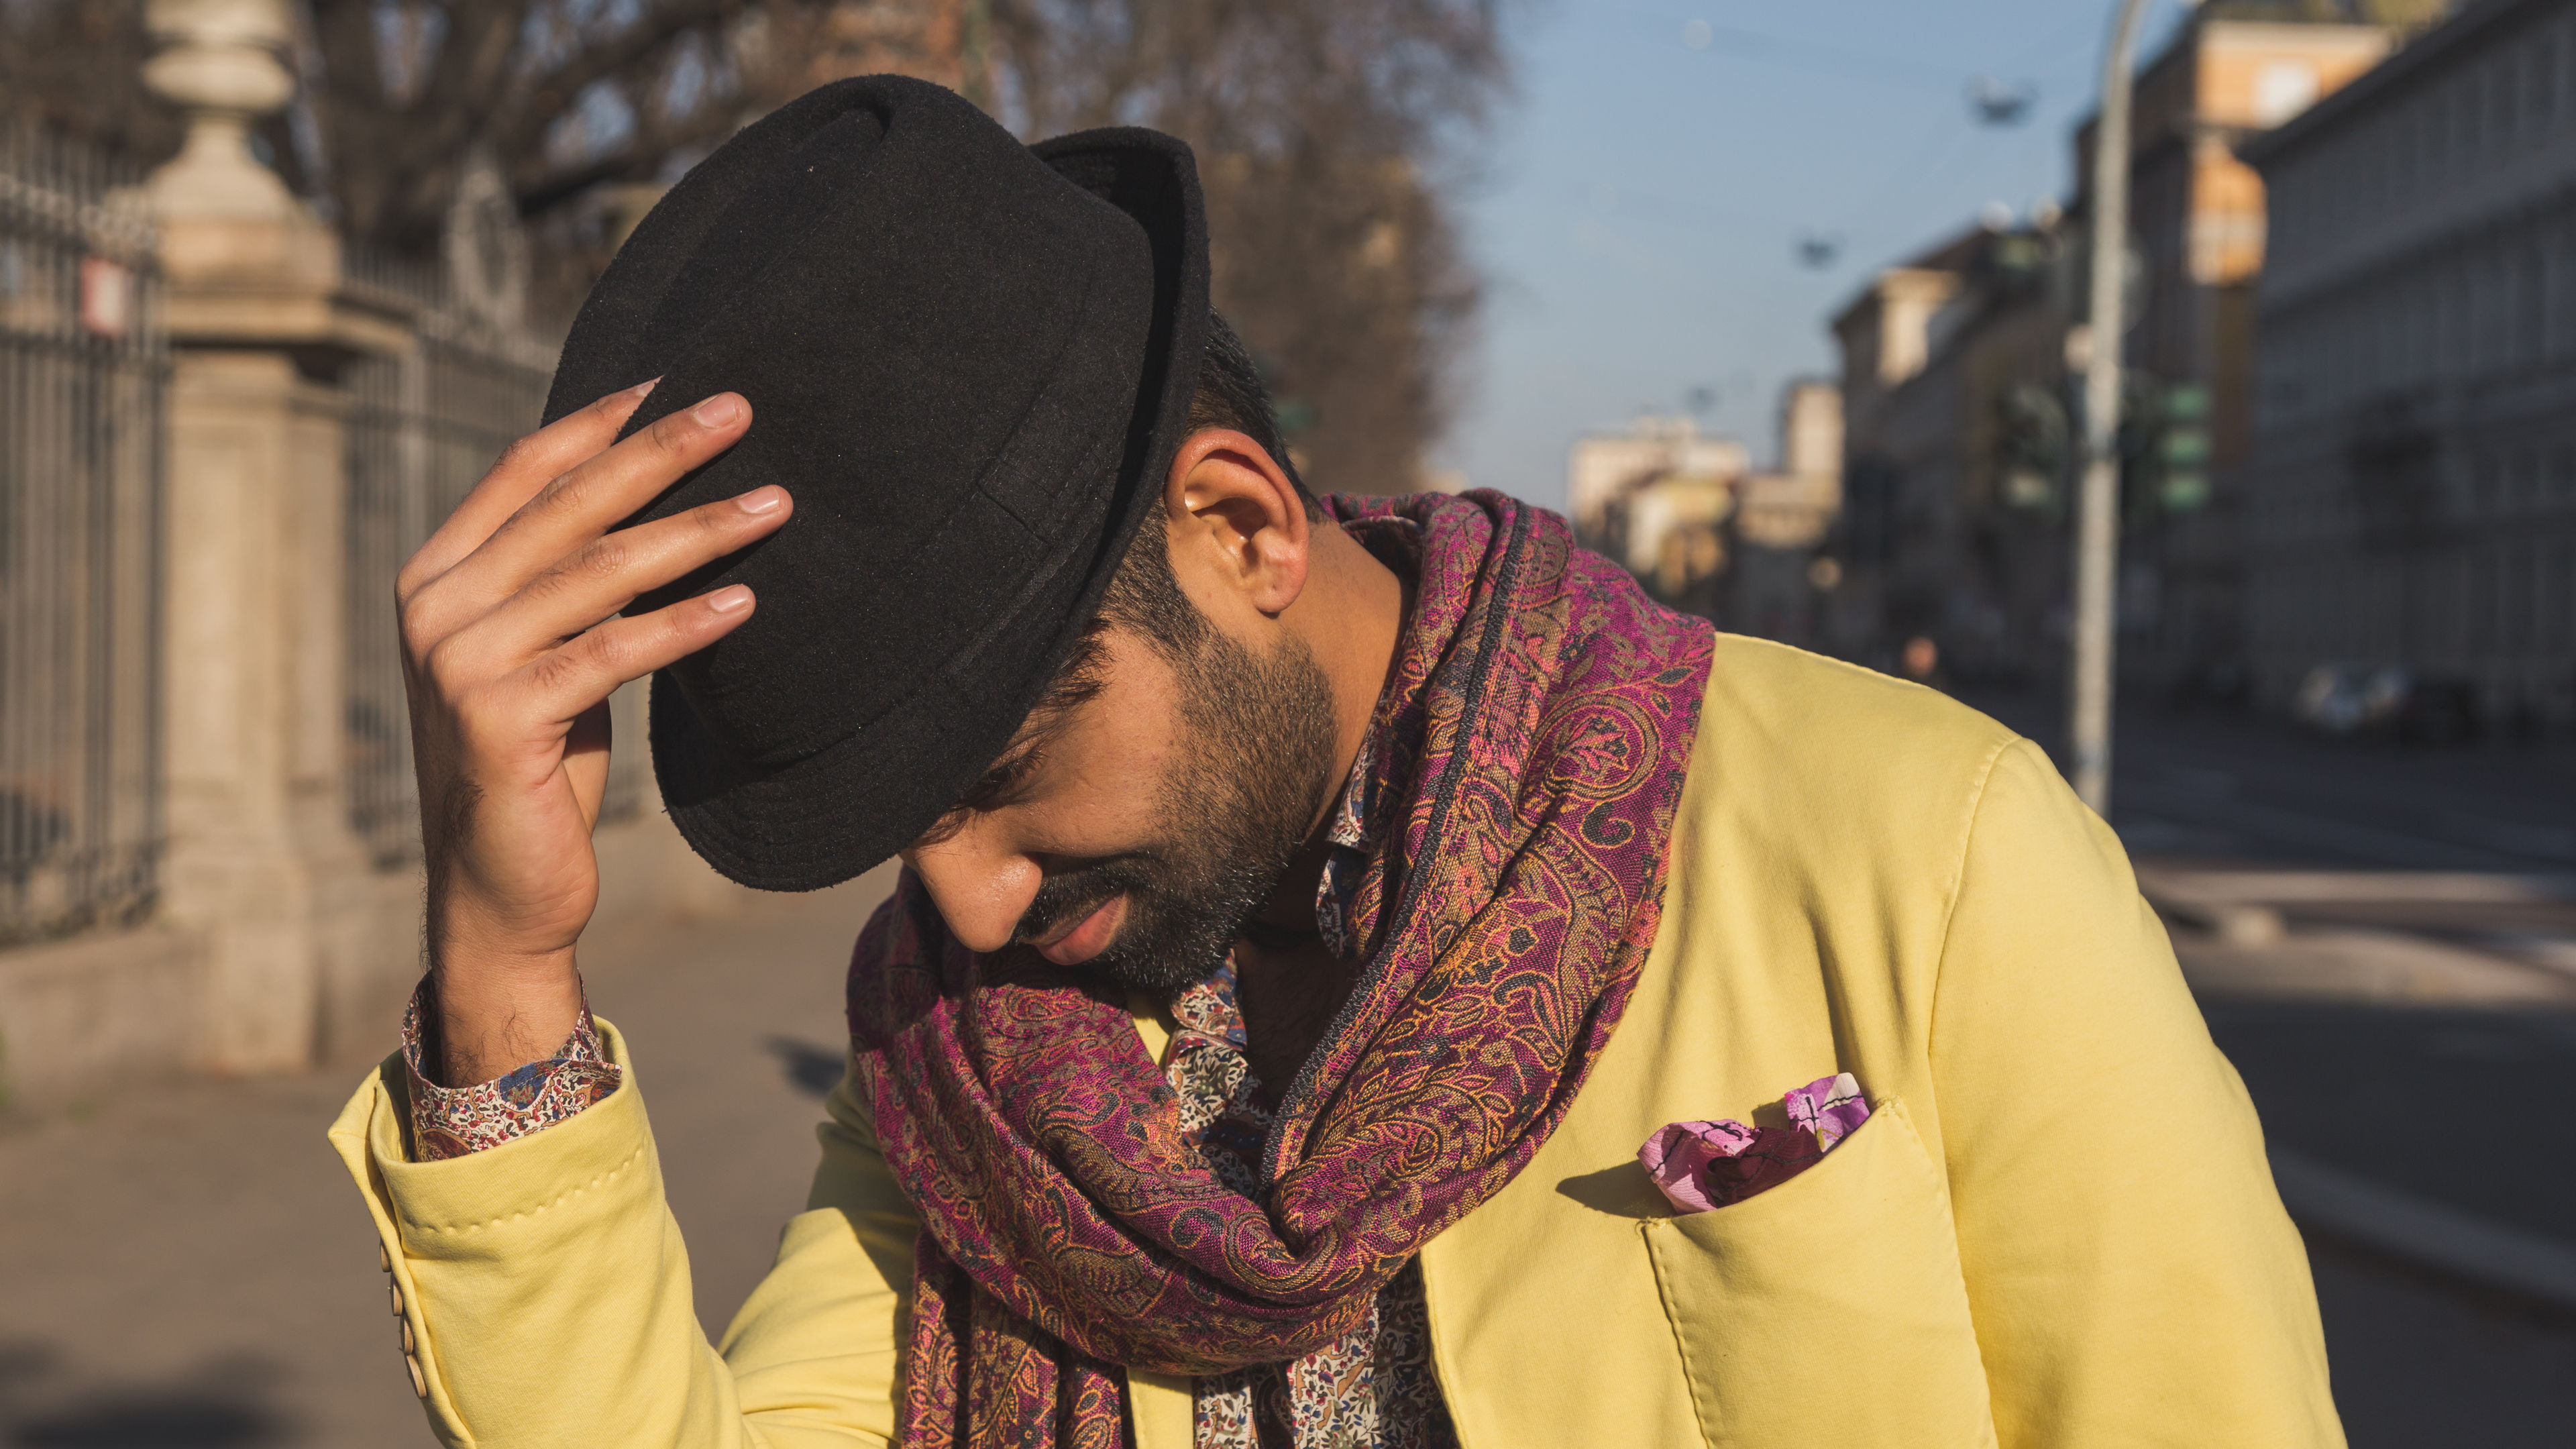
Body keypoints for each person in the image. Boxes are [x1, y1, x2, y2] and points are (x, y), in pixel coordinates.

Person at [329, 77, 2346, 1448]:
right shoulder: (966, 1066)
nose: (957, 901)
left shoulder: (1922, 856)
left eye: (1009, 762)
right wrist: (504, 983)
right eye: (899, 824)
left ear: (1245, 531)